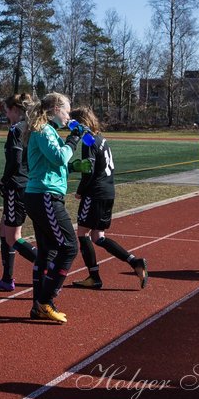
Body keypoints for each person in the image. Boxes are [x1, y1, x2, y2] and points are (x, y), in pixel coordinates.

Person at [67, 106, 148, 289]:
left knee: (82, 233)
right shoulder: (101, 139)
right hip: (108, 191)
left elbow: (88, 169)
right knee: (98, 236)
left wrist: (80, 190)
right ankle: (135, 261)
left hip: (95, 193)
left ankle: (93, 277)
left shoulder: (89, 142)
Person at [23, 92, 78, 324]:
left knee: (48, 251)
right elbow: (57, 157)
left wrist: (73, 167)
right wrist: (73, 141)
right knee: (69, 246)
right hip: (44, 196)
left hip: (43, 194)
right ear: (55, 109)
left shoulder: (48, 130)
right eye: (66, 110)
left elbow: (53, 164)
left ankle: (40, 305)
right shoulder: (44, 130)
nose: (69, 115)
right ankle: (45, 301)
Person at [0, 93, 39, 291]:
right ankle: (7, 278)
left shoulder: (17, 130)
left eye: (7, 111)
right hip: (29, 184)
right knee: (4, 229)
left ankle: (45, 264)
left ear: (15, 110)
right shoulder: (34, 129)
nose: (6, 115)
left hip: (16, 186)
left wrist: (4, 180)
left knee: (13, 235)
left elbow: (15, 161)